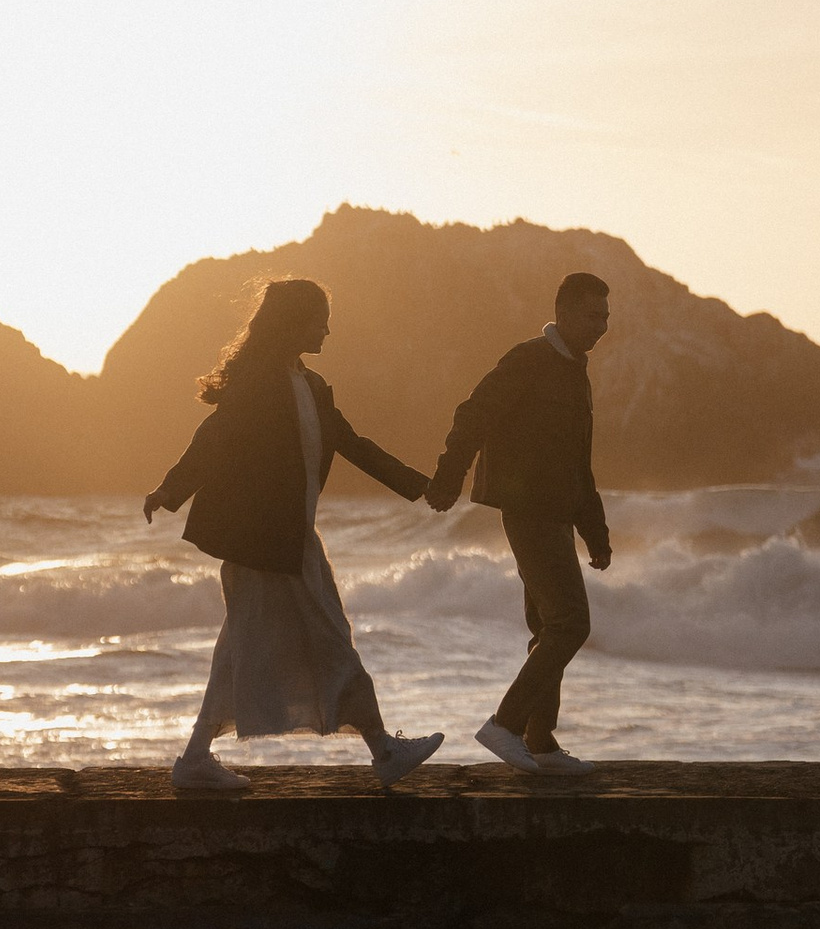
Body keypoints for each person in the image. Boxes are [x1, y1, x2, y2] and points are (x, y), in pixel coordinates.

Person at [146, 276, 445, 796]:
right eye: (319, 318)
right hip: (262, 542)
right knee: (327, 637)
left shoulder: (312, 385)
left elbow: (354, 443)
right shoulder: (258, 381)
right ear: (293, 323)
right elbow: (212, 439)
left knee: (245, 648)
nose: (328, 329)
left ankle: (196, 756)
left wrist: (419, 486)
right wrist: (170, 490)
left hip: (292, 539)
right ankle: (384, 749)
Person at [426, 267, 613, 774]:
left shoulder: (576, 372)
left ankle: (540, 743)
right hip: (529, 511)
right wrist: (450, 474)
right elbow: (473, 413)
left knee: (547, 627)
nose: (601, 326)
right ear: (563, 313)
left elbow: (579, 460)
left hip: (556, 512)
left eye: (606, 318)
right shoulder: (530, 358)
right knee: (571, 623)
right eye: (592, 316)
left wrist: (594, 531)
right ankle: (505, 725)